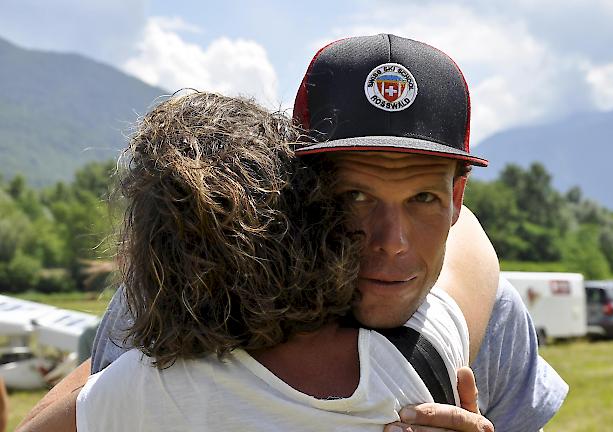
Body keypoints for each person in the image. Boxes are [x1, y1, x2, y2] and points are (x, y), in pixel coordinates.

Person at [20, 34, 567, 432]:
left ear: (456, 197)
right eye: (355, 197)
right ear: (298, 189)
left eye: (422, 198)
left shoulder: (495, 316)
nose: (391, 240)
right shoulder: (178, 297)